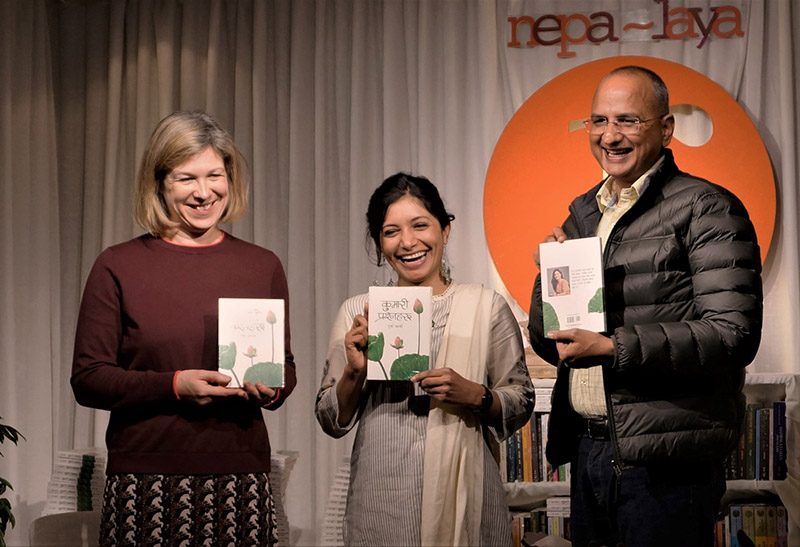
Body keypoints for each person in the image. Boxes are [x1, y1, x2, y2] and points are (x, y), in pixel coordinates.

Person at [528, 65, 763, 547]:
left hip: (665, 464)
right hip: (590, 451)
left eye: (628, 121)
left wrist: (614, 348)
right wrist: (547, 277)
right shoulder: (584, 211)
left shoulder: (707, 207)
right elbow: (551, 344)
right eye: (598, 121)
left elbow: (732, 333)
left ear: (666, 128)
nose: (609, 136)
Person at [71, 110, 296, 546]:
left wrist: (271, 386)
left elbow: (283, 368)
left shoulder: (261, 264)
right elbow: (88, 379)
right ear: (159, 182)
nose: (203, 192)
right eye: (185, 178)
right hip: (145, 479)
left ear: (230, 178)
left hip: (240, 477)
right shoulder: (118, 264)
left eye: (214, 175)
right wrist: (174, 385)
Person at [316, 173, 534, 546]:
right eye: (391, 231)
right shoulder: (359, 311)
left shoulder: (485, 306)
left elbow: (521, 398)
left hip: (465, 495)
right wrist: (355, 371)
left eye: (420, 225)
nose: (408, 242)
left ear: (445, 230)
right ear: (378, 242)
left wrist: (475, 394)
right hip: (380, 500)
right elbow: (330, 419)